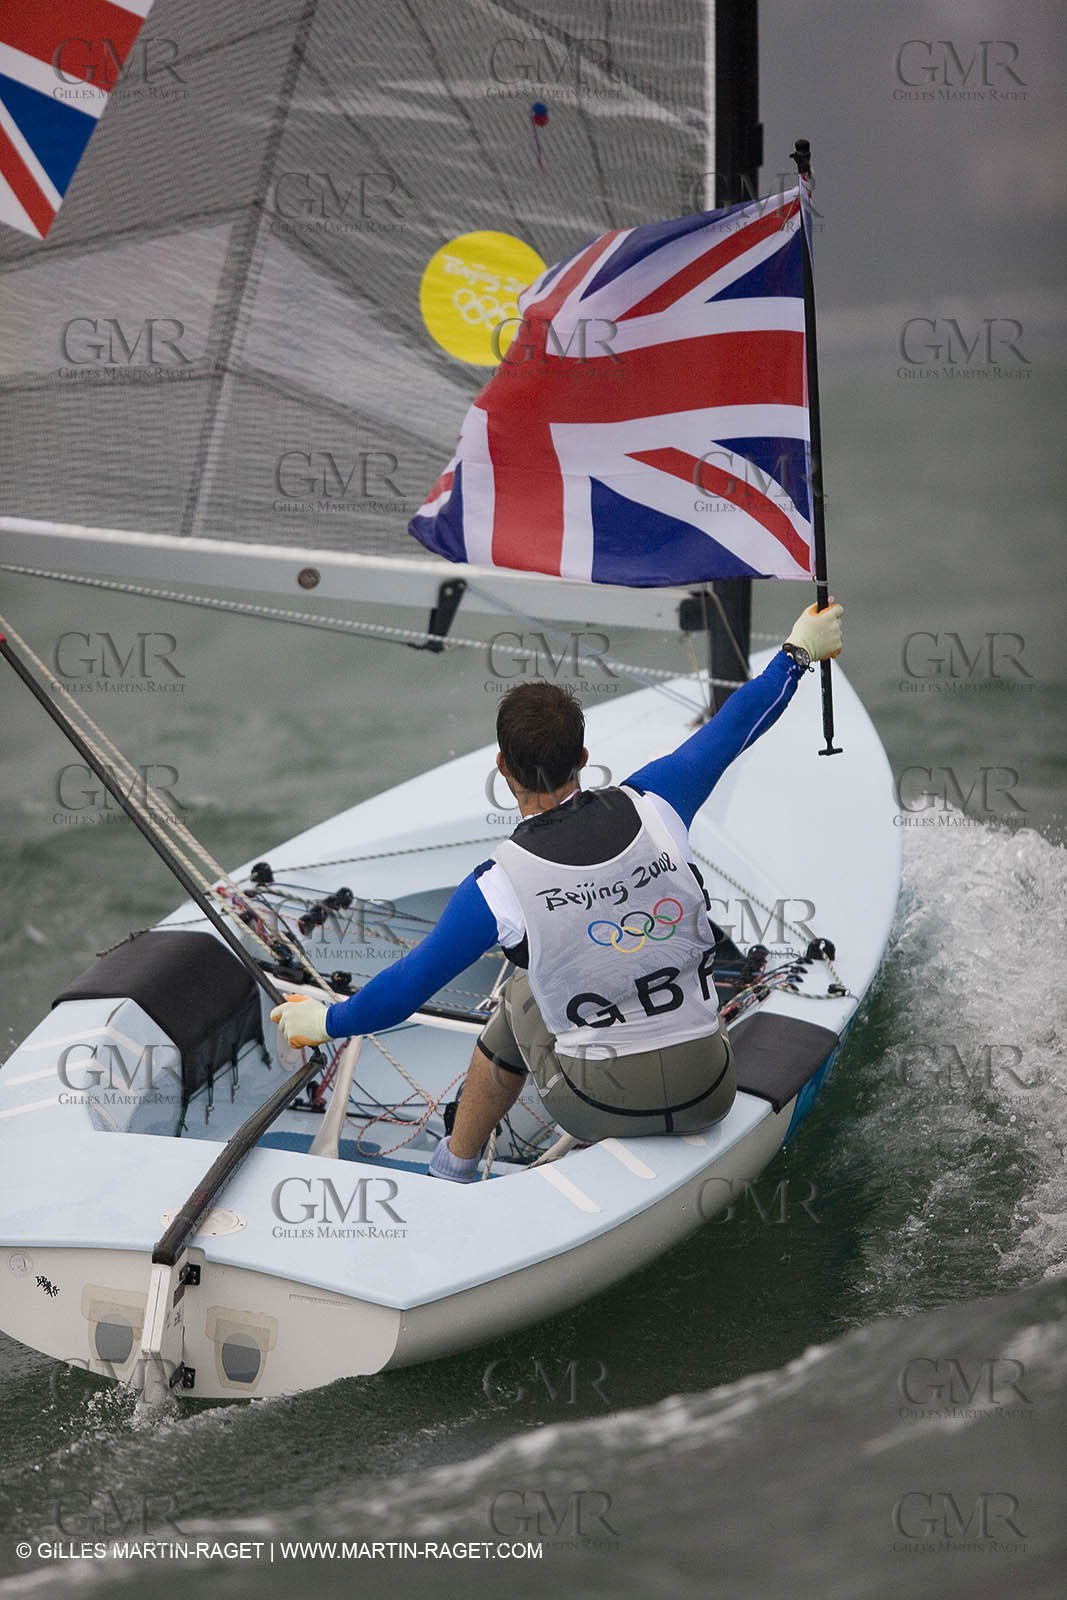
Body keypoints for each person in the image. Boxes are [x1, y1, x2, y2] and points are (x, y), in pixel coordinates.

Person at [271, 599, 844, 1181]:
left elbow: (402, 990)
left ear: (502, 768)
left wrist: (326, 1022)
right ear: (584, 758)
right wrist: (798, 651)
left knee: (524, 994)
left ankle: (454, 1170)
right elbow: (739, 722)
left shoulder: (499, 886)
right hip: (711, 1090)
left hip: (604, 1106)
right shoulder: (660, 801)